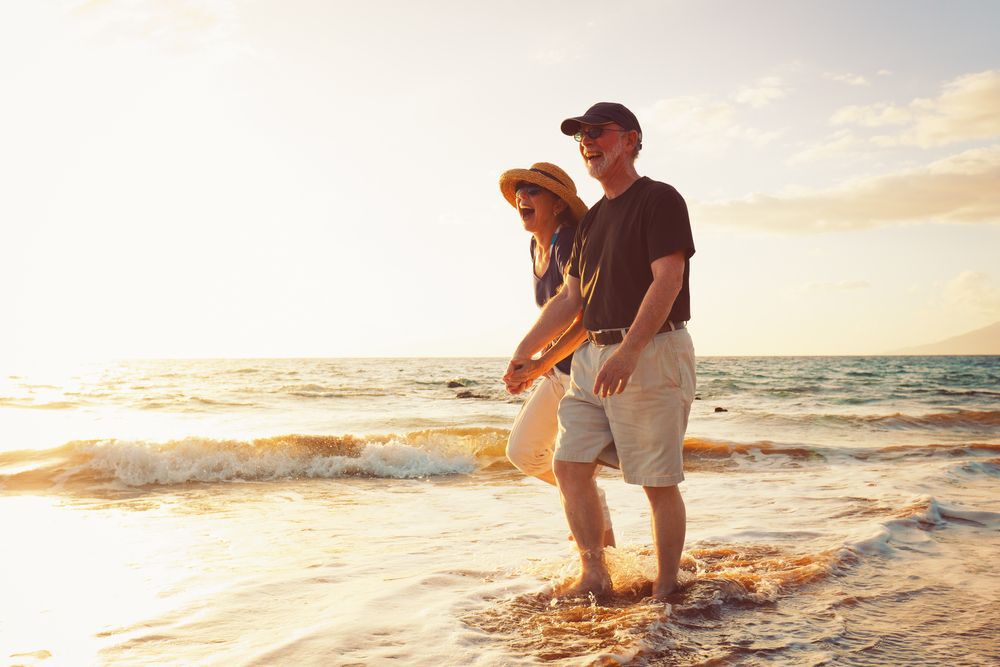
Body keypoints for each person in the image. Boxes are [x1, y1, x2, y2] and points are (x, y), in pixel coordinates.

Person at [505, 103, 696, 599]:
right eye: (581, 136)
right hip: (593, 359)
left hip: (652, 350)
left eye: (598, 133)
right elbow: (570, 299)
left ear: (630, 139)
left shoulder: (660, 199)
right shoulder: (590, 224)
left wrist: (630, 350)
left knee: (657, 482)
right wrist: (525, 353)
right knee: (569, 465)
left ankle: (667, 588)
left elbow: (668, 279)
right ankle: (595, 574)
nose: (588, 141)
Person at [498, 162, 615, 548]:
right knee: (524, 451)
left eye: (534, 191)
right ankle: (588, 500)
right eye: (520, 192)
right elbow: (551, 313)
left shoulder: (568, 242)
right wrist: (537, 364)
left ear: (559, 204)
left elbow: (584, 319)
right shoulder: (536, 245)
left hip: (585, 370)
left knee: (573, 468)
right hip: (555, 370)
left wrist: (536, 363)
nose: (522, 198)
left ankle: (599, 552)